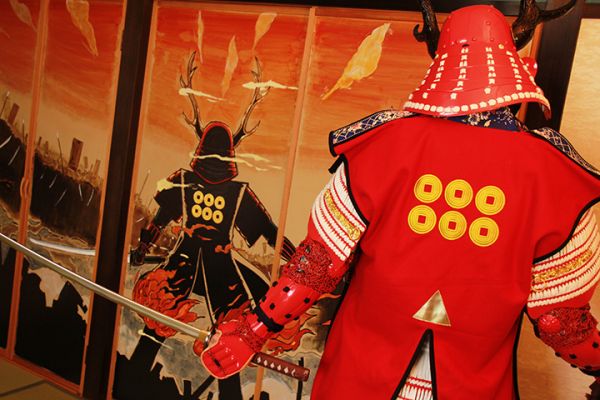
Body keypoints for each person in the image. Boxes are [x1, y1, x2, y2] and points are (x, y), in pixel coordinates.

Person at [196, 2, 600, 399]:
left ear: (442, 62)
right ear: (518, 70)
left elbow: (316, 265)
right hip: (472, 385)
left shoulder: (383, 142)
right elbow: (561, 323)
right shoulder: (555, 172)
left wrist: (251, 332)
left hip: (359, 377)